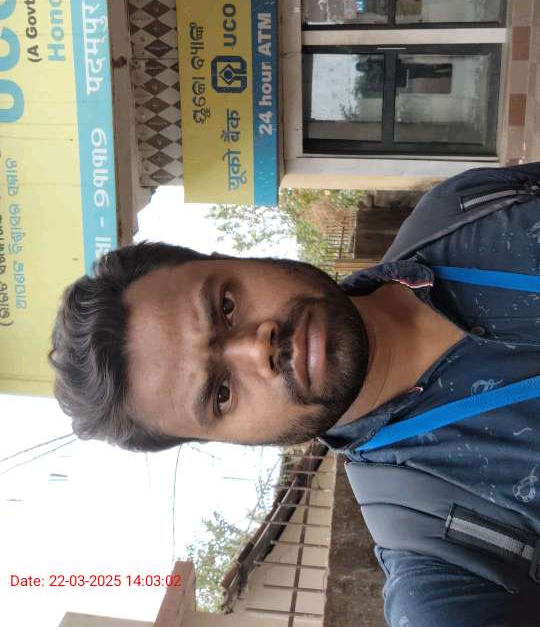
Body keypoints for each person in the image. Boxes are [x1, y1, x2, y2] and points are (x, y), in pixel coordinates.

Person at [50, 162, 540, 625]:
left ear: (228, 258)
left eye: (225, 306)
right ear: (231, 440)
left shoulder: (465, 207)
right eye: (221, 393)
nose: (255, 349)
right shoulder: (443, 557)